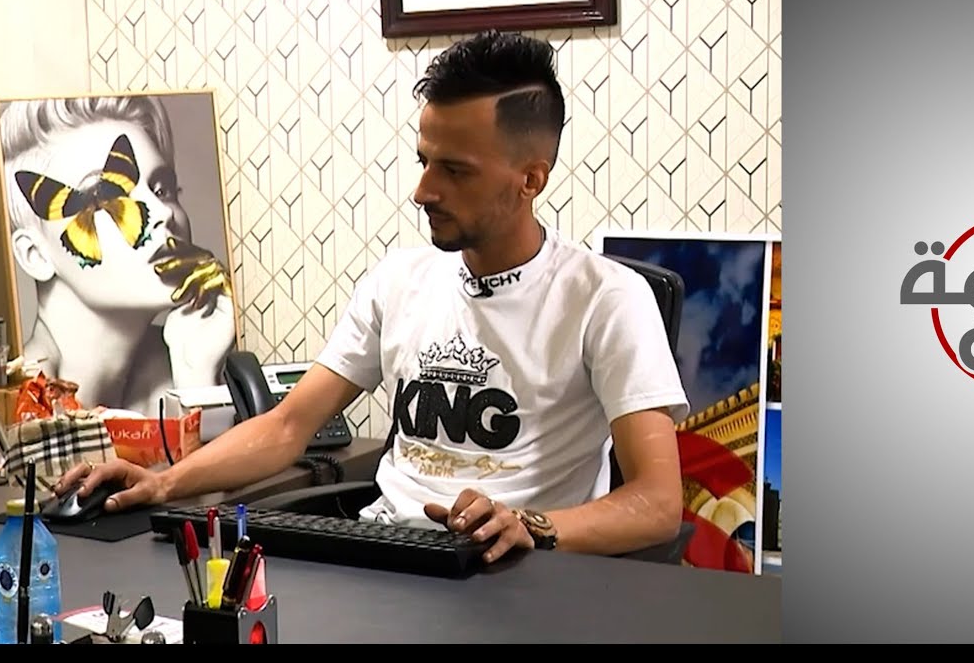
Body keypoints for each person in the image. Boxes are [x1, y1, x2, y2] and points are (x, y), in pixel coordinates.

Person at [54, 30, 691, 563]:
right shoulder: (399, 280)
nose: (423, 191)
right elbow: (287, 427)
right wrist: (162, 482)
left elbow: (659, 504)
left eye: (455, 170)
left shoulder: (608, 299)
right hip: (388, 555)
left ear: (531, 179)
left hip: (512, 573)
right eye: (424, 161)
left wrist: (533, 526)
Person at [0, 96, 236, 416]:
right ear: (34, 255)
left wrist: (198, 376)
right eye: (101, 193)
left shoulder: (180, 362)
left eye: (162, 190)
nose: (162, 212)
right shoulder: (22, 407)